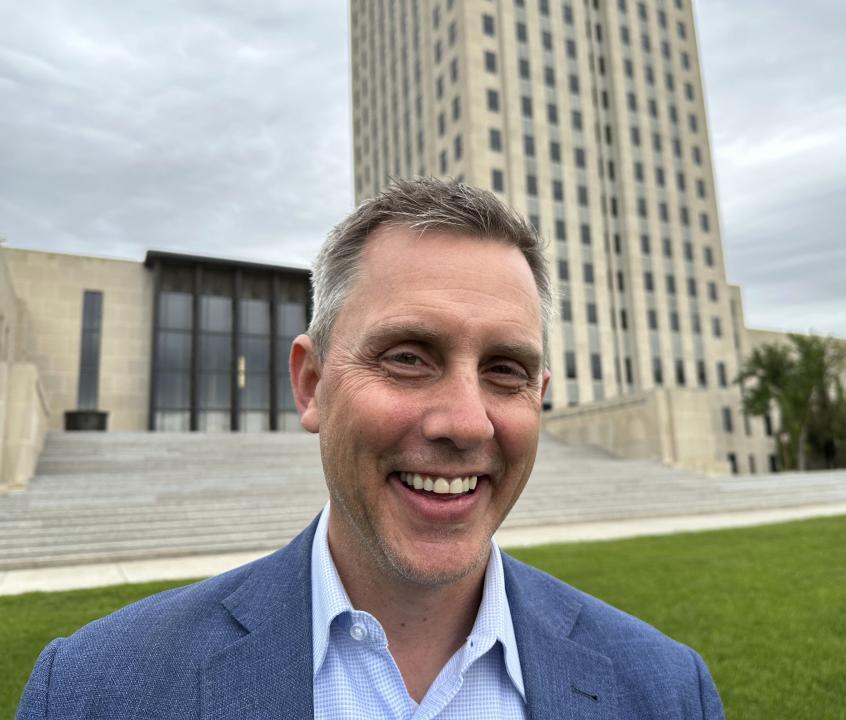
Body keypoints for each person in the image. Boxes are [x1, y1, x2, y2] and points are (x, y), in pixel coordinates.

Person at [18, 178, 724, 719]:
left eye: (505, 371)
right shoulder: (94, 692)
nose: (466, 422)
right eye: (409, 357)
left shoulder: (666, 691)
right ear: (313, 385)